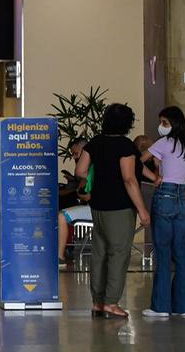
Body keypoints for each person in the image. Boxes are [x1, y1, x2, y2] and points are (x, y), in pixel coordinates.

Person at [75, 103, 152, 319]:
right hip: (120, 208)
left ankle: (98, 302)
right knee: (118, 254)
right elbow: (129, 179)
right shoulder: (125, 146)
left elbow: (80, 170)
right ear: (127, 124)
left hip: (98, 206)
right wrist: (143, 211)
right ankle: (111, 303)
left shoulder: (95, 142)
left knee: (99, 253)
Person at [143, 106, 185, 318]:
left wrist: (154, 176)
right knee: (181, 252)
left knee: (163, 252)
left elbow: (137, 162)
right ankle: (183, 307)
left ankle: (161, 307)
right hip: (181, 198)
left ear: (174, 123)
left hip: (164, 195)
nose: (161, 127)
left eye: (164, 123)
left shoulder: (163, 143)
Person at [58, 138, 91, 266]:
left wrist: (79, 191)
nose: (74, 157)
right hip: (94, 207)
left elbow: (86, 195)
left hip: (94, 209)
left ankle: (60, 257)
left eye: (76, 154)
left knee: (62, 215)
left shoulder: (90, 168)